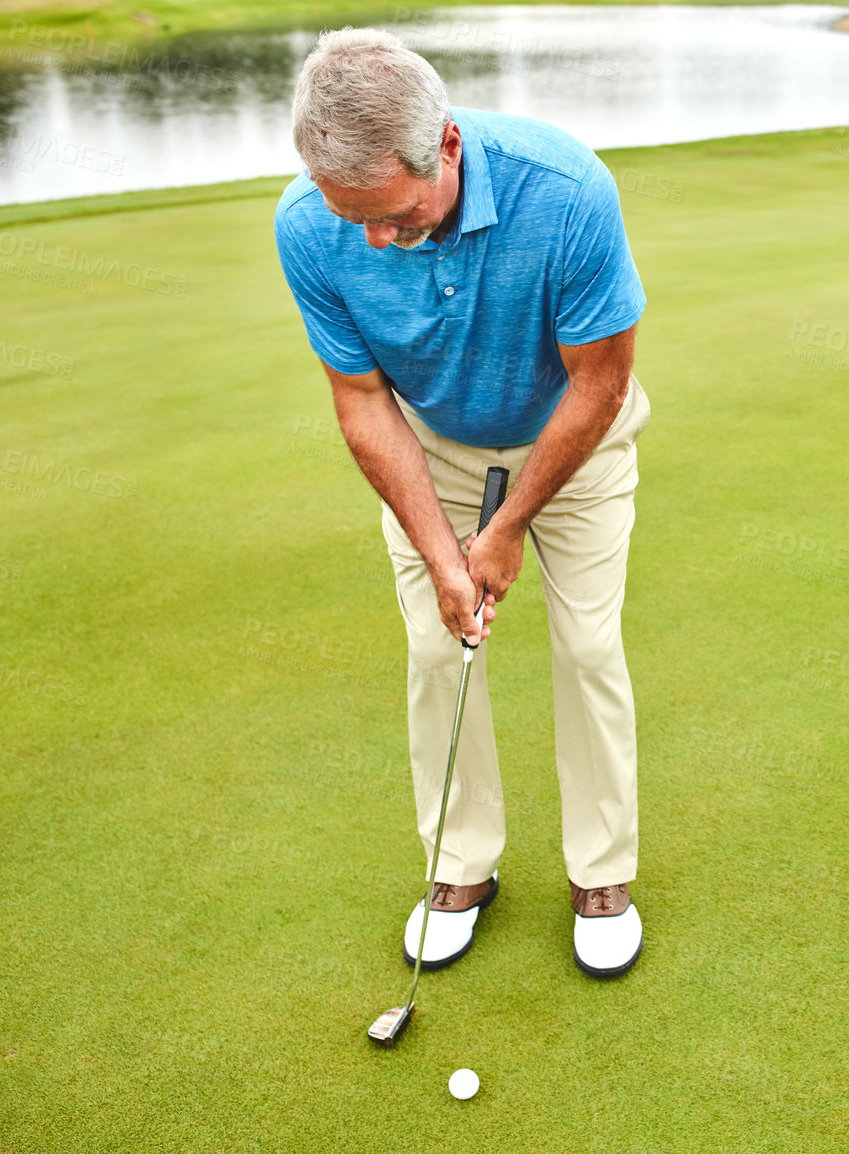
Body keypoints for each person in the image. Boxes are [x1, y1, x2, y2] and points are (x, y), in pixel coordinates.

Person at [274, 28, 649, 978]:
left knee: (588, 645)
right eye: (348, 213)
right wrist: (449, 554)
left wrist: (510, 525)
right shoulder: (309, 225)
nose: (372, 238)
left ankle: (601, 875)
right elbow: (361, 399)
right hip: (431, 444)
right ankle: (460, 869)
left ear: (443, 146)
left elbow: (599, 384)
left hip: (573, 437)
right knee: (440, 643)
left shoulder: (565, 192)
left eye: (394, 215)